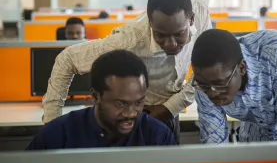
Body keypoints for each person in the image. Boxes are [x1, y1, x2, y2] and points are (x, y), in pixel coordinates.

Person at [42, 0, 212, 144]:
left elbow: (205, 68)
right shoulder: (128, 40)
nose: (170, 44)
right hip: (127, 115)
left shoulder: (200, 12)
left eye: (179, 34)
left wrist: (171, 107)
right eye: (160, 35)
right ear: (150, 24)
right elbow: (67, 59)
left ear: (191, 20)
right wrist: (51, 127)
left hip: (169, 115)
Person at [191, 29, 277, 143]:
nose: (211, 94)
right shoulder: (203, 80)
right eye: (204, 86)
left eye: (220, 85)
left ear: (241, 68)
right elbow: (213, 141)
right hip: (259, 125)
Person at [27, 50, 176, 150]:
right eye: (120, 103)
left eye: (138, 103)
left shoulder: (158, 136)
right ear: (95, 96)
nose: (130, 113)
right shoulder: (57, 135)